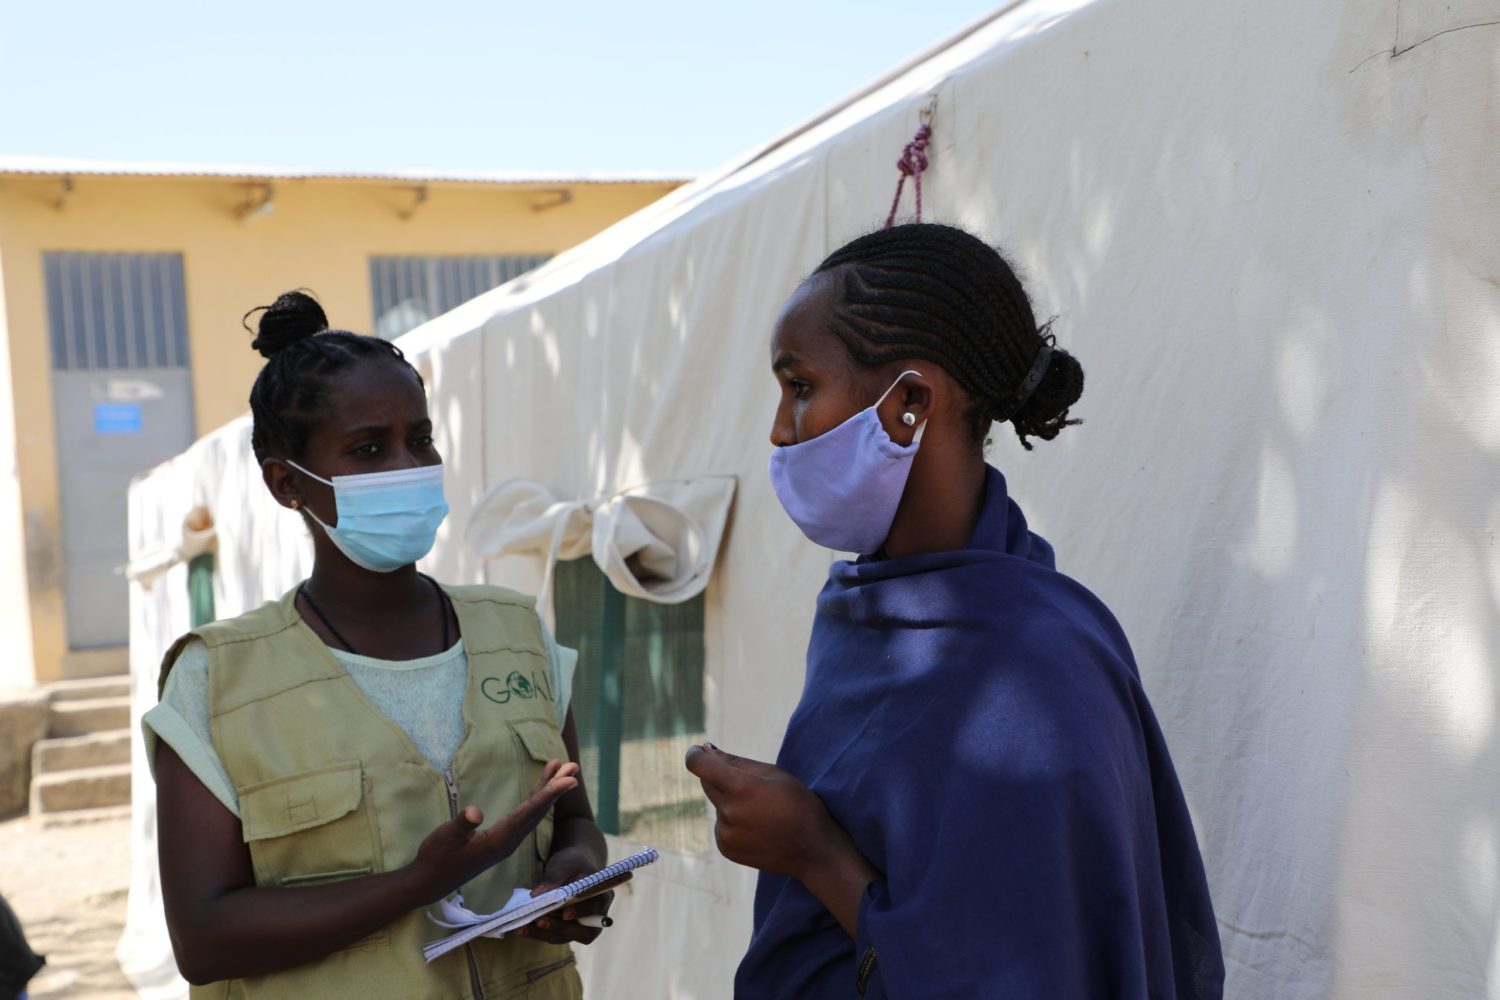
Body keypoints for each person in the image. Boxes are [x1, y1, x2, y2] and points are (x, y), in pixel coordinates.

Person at [685, 223, 1224, 998]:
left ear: (907, 404)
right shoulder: (866, 612)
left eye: (799, 386)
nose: (779, 428)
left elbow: (1029, 973)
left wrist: (812, 852)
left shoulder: (1037, 670)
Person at [144, 291, 614, 999]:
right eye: (368, 449)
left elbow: (575, 821)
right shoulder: (217, 680)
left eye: (420, 438)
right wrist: (417, 885)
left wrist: (576, 878)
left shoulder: (517, 632)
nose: (408, 465)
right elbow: (204, 939)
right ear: (286, 484)